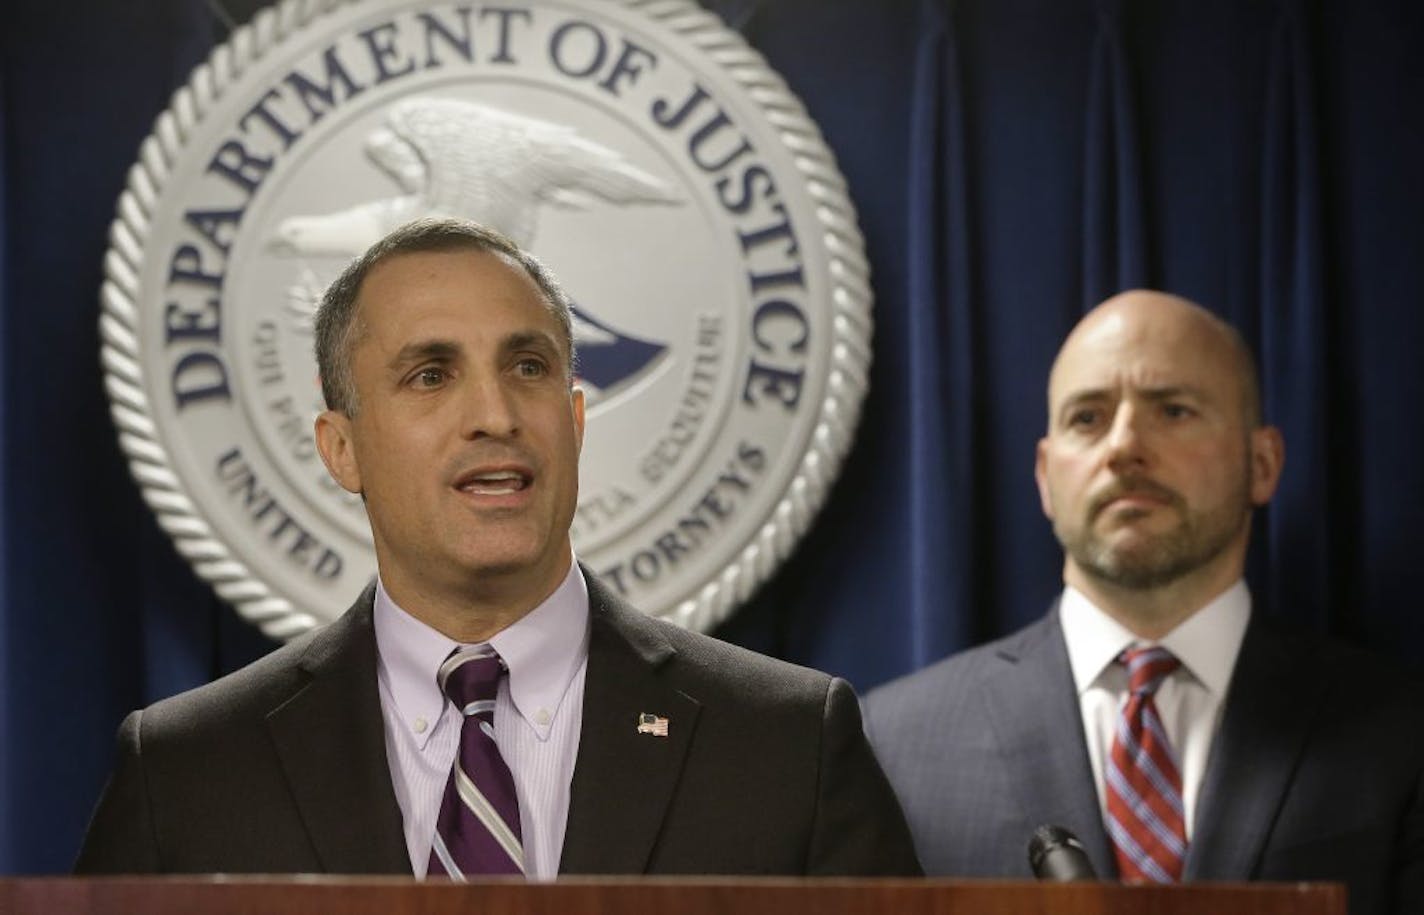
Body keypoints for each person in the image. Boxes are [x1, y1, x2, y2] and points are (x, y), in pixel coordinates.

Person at [77, 218, 920, 878]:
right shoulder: (185, 771)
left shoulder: (788, 745)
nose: (496, 415)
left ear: (577, 420)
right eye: (431, 375)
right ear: (342, 449)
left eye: (527, 367)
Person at [864, 290, 1423, 914]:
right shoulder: (890, 745)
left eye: (1174, 410)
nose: (1124, 446)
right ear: (1046, 479)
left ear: (1262, 463)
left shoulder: (1400, 732)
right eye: (1087, 418)